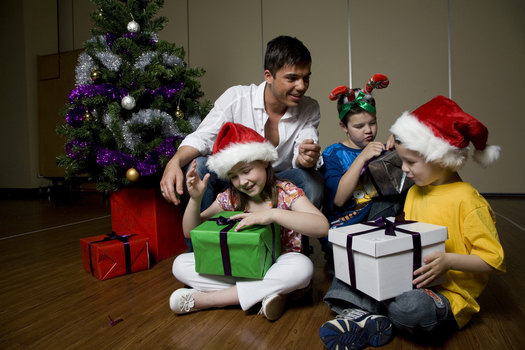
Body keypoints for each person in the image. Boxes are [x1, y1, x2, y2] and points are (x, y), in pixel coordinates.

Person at [318, 96, 506, 350]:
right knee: (350, 267)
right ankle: (371, 314)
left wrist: (449, 261)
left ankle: (362, 310)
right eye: (402, 161)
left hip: (445, 295)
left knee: (410, 307)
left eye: (411, 162)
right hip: (409, 278)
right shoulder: (416, 191)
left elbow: (493, 259)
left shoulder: (467, 201)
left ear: (441, 158)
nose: (404, 169)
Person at [160, 35, 324, 251]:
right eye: (292, 78)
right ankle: (201, 251)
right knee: (199, 166)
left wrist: (305, 158)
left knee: (311, 180)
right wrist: (174, 162)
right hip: (233, 182)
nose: (301, 86)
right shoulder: (237, 98)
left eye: (306, 78)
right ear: (269, 76)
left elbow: (303, 150)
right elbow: (203, 137)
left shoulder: (309, 108)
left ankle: (290, 243)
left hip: (278, 182)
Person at [170, 122, 329, 321]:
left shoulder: (285, 192)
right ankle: (268, 293)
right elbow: (190, 231)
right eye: (234, 177)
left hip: (278, 266)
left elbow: (322, 227)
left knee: (303, 267)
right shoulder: (231, 197)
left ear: (263, 161)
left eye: (246, 171)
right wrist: (195, 200)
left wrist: (272, 215)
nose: (242, 181)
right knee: (180, 264)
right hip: (240, 268)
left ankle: (208, 300)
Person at [319, 74, 406, 275]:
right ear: (344, 127)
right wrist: (361, 158)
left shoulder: (383, 149)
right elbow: (339, 200)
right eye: (359, 126)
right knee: (338, 251)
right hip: (344, 226)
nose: (368, 131)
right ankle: (349, 261)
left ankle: (367, 259)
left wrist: (400, 149)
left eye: (372, 123)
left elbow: (403, 185)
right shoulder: (333, 153)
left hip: (376, 220)